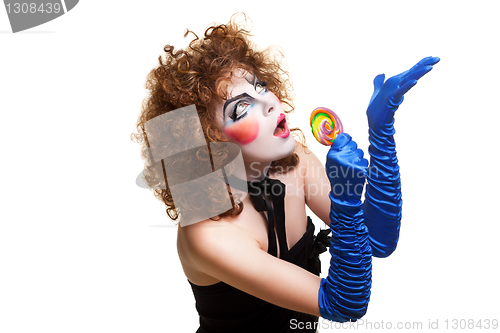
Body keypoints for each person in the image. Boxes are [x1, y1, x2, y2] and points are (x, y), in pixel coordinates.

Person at [133, 14, 439, 333]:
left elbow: (378, 240)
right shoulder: (208, 235)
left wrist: (382, 134)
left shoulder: (296, 163)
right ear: (212, 142)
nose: (267, 102)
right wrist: (345, 198)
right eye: (240, 108)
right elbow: (345, 303)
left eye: (260, 86)